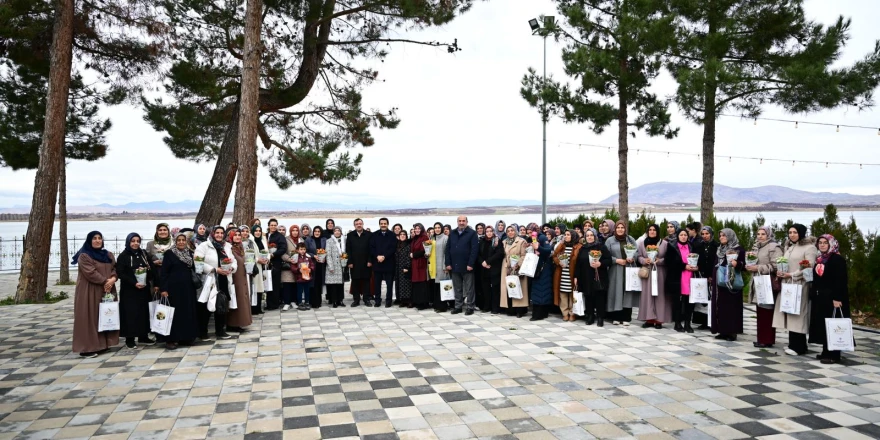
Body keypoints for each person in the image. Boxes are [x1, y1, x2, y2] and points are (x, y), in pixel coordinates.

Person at [72, 231, 119, 358]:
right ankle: (87, 348)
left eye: (100, 238)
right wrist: (106, 282)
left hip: (107, 289)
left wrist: (113, 279)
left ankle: (102, 345)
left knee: (104, 315)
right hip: (90, 290)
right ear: (89, 241)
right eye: (94, 238)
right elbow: (90, 273)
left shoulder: (108, 254)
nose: (98, 241)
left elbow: (114, 268)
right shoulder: (84, 256)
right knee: (90, 317)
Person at [773, 224, 817, 356]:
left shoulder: (810, 248)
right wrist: (781, 273)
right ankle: (793, 343)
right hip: (788, 284)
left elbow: (808, 267)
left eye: (795, 232)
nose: (792, 234)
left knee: (798, 314)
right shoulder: (790, 247)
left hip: (800, 285)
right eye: (790, 232)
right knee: (790, 312)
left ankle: (799, 346)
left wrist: (792, 275)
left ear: (801, 233)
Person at [809, 234, 850, 364]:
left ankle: (834, 354)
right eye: (820, 242)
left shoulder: (837, 259)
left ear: (831, 244)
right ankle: (826, 351)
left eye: (825, 243)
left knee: (834, 324)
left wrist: (837, 298)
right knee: (823, 324)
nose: (822, 245)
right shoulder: (820, 259)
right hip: (821, 297)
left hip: (833, 298)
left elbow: (840, 281)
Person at [159, 232, 200, 349]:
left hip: (188, 289)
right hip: (173, 290)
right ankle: (171, 339)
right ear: (175, 241)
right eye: (179, 240)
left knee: (187, 312)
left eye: (183, 240)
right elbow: (164, 273)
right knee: (174, 314)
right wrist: (164, 289)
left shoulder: (190, 253)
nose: (181, 242)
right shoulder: (169, 254)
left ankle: (186, 337)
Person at [195, 225, 236, 340]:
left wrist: (231, 268)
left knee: (221, 304)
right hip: (210, 279)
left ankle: (220, 331)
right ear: (212, 233)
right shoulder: (204, 246)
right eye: (217, 233)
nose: (219, 235)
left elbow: (233, 260)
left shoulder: (226, 246)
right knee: (206, 306)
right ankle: (203, 332)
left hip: (224, 278)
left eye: (221, 233)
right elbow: (198, 262)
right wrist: (215, 269)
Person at [116, 233, 154, 349]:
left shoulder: (143, 253)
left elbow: (150, 267)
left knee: (143, 312)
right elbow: (120, 273)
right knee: (130, 313)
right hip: (130, 290)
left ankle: (143, 335)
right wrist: (133, 282)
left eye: (137, 241)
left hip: (143, 288)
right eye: (133, 241)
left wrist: (150, 278)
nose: (135, 243)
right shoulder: (123, 256)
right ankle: (130, 338)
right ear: (128, 242)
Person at [746, 226, 782, 348]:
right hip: (758, 281)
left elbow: (776, 265)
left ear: (769, 235)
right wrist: (750, 265)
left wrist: (759, 268)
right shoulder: (757, 246)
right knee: (760, 311)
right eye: (758, 234)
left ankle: (767, 339)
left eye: (763, 234)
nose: (760, 236)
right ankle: (761, 338)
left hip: (768, 283)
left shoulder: (774, 247)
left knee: (767, 312)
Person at [711, 228, 745, 341]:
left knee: (731, 306)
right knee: (720, 306)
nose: (721, 237)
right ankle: (722, 330)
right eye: (720, 235)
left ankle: (732, 331)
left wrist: (737, 264)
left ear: (730, 236)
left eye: (724, 235)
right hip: (719, 281)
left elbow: (743, 265)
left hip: (732, 281)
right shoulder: (719, 249)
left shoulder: (738, 249)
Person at [637, 224, 671, 329]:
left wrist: (659, 261)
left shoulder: (664, 244)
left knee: (659, 295)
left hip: (660, 272)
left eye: (654, 230)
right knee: (648, 295)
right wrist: (644, 260)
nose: (652, 232)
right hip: (648, 272)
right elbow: (638, 256)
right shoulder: (642, 243)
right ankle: (649, 319)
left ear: (657, 231)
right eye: (650, 230)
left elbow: (669, 258)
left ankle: (659, 320)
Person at [574, 228, 611, 326]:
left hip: (599, 276)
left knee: (599, 297)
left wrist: (600, 263)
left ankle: (600, 317)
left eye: (591, 235)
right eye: (587, 235)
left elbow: (609, 260)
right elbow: (578, 264)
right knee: (588, 296)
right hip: (585, 276)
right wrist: (576, 277)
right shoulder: (583, 248)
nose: (589, 237)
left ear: (595, 236)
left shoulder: (601, 247)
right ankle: (590, 315)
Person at [605, 221, 638, 326]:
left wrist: (632, 258)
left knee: (627, 292)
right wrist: (617, 260)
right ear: (614, 229)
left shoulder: (630, 239)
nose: (620, 229)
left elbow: (637, 252)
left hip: (629, 269)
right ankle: (616, 317)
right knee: (616, 291)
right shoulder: (610, 240)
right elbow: (605, 255)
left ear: (625, 229)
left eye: (622, 227)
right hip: (616, 270)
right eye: (618, 227)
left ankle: (626, 317)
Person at [445, 216, 479, 315]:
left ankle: (470, 307)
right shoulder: (453, 233)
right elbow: (448, 249)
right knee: (457, 288)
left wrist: (471, 263)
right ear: (457, 222)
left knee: (469, 288)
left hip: (467, 266)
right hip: (454, 265)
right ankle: (458, 306)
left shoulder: (472, 233)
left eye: (463, 221)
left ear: (467, 222)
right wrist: (448, 263)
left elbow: (474, 250)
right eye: (459, 221)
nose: (461, 223)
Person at [666, 228, 698, 333]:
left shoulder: (692, 246)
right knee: (677, 302)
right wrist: (684, 266)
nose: (683, 237)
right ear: (678, 236)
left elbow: (698, 259)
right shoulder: (672, 246)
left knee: (689, 302)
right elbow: (669, 263)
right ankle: (677, 323)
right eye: (681, 235)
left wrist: (697, 267)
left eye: (685, 235)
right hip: (677, 277)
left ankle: (688, 323)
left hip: (690, 277)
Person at [226, 228, 252, 333]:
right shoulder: (229, 248)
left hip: (242, 276)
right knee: (235, 298)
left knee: (242, 298)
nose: (237, 236)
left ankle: (240, 322)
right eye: (235, 235)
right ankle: (232, 324)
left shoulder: (240, 247)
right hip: (234, 277)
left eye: (239, 234)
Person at [692, 226, 718, 330]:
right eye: (702, 234)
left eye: (707, 234)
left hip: (712, 275)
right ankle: (703, 322)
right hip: (701, 276)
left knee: (712, 299)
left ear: (711, 234)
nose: (705, 236)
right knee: (702, 298)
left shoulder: (717, 246)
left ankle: (713, 321)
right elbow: (695, 259)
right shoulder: (698, 246)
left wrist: (712, 275)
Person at [501, 226, 530, 318]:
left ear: (515, 231)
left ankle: (520, 310)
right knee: (509, 287)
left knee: (519, 287)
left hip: (518, 268)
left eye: (512, 230)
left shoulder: (521, 241)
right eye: (508, 231)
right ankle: (510, 309)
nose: (510, 232)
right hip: (506, 267)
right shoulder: (504, 242)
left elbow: (524, 255)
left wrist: (517, 264)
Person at [552, 230, 581, 321]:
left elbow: (580, 261)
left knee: (572, 294)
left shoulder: (578, 247)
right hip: (561, 274)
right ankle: (565, 313)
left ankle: (572, 313)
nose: (566, 236)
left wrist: (577, 275)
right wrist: (558, 262)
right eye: (565, 235)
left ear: (573, 236)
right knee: (563, 293)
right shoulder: (561, 245)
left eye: (568, 235)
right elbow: (554, 256)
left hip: (572, 274)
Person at [370, 217, 397, 307]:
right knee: (377, 284)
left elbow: (393, 248)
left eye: (385, 223)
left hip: (389, 263)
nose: (383, 225)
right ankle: (377, 300)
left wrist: (384, 256)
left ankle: (388, 301)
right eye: (381, 223)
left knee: (389, 284)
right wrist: (377, 256)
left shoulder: (392, 235)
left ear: (387, 224)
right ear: (379, 224)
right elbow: (372, 247)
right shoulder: (374, 235)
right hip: (377, 263)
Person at [346, 218, 372, 306]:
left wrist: (370, 260)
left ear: (363, 224)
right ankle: (356, 300)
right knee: (355, 281)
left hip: (366, 262)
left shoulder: (369, 235)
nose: (359, 225)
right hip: (354, 263)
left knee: (366, 281)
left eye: (360, 223)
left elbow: (371, 249)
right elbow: (348, 250)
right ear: (354, 225)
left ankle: (366, 299)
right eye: (357, 224)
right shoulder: (350, 235)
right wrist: (349, 262)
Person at [479, 227, 505, 314]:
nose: (489, 233)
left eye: (491, 231)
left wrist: (488, 261)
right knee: (485, 289)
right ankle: (487, 306)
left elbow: (499, 253)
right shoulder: (482, 241)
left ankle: (495, 308)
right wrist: (483, 262)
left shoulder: (497, 241)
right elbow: (478, 254)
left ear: (493, 232)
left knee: (495, 289)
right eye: (487, 231)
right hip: (484, 268)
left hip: (494, 268)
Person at [529, 234, 554, 321]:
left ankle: (539, 314)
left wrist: (538, 248)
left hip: (543, 269)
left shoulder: (542, 238)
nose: (530, 234)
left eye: (531, 232)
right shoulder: (531, 239)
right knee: (537, 291)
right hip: (535, 268)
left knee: (543, 290)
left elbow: (548, 251)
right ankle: (540, 313)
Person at [147, 223, 173, 299]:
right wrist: (154, 263)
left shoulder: (173, 244)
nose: (162, 232)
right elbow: (146, 260)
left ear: (168, 231)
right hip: (156, 275)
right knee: (157, 298)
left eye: (165, 230)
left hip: (170, 275)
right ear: (157, 232)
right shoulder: (151, 244)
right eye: (160, 230)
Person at [265, 218, 287, 310]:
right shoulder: (265, 235)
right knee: (266, 283)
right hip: (265, 263)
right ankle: (268, 303)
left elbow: (283, 249)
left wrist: (273, 254)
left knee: (275, 284)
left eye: (275, 225)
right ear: (269, 226)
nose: (273, 227)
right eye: (271, 225)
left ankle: (274, 304)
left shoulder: (279, 236)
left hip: (275, 263)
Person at [281, 225, 303, 311]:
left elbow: (305, 250)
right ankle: (286, 302)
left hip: (299, 266)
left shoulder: (301, 240)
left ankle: (294, 301)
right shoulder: (286, 240)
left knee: (295, 285)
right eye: (293, 230)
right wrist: (289, 259)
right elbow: (283, 252)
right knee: (287, 284)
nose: (295, 232)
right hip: (289, 265)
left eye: (296, 230)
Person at [430, 222, 451, 312]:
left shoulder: (445, 238)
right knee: (435, 286)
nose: (437, 229)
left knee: (442, 286)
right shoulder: (432, 238)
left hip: (442, 266)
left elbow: (447, 253)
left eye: (439, 227)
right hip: (433, 266)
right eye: (435, 228)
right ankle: (436, 304)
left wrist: (445, 266)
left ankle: (442, 306)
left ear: (442, 229)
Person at [304, 225, 327, 309]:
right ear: (313, 232)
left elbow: (326, 250)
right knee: (312, 283)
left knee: (319, 282)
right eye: (315, 231)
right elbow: (305, 251)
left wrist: (324, 258)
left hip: (321, 264)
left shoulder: (324, 240)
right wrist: (313, 256)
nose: (317, 233)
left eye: (318, 231)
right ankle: (312, 301)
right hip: (312, 264)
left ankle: (319, 301)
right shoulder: (309, 240)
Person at [410, 223, 431, 310]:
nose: (417, 230)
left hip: (421, 262)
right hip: (415, 263)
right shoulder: (415, 238)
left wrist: (414, 254)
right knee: (416, 283)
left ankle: (423, 302)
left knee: (422, 282)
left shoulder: (425, 238)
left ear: (422, 229)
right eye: (416, 228)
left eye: (419, 228)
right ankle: (417, 301)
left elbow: (425, 250)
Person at [249, 224, 269, 315]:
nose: (258, 233)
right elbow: (249, 254)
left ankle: (259, 307)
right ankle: (254, 308)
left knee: (261, 287)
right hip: (255, 266)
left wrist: (267, 259)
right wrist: (258, 260)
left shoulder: (263, 240)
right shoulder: (251, 241)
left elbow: (266, 251)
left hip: (263, 266)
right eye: (256, 231)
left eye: (259, 231)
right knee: (255, 287)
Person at [291, 243, 316, 310]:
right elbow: (293, 267)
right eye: (301, 249)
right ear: (297, 250)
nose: (303, 251)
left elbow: (312, 265)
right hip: (299, 278)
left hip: (307, 278)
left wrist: (311, 269)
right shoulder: (295, 257)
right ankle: (300, 303)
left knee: (307, 291)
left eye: (304, 249)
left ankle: (307, 302)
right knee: (299, 291)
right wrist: (299, 270)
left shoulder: (308, 257)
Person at [325, 226, 346, 307]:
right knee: (333, 285)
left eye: (338, 231)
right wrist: (330, 266)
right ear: (333, 232)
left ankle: (340, 300)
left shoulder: (344, 240)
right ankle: (334, 301)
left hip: (342, 265)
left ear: (341, 232)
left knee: (341, 285)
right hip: (333, 265)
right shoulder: (329, 241)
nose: (337, 232)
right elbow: (328, 254)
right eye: (335, 231)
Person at [395, 231, 413, 307]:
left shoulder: (408, 245)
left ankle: (409, 301)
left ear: (406, 236)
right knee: (400, 284)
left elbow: (409, 257)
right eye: (401, 234)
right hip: (398, 268)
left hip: (405, 267)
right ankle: (402, 300)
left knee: (407, 284)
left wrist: (407, 267)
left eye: (404, 234)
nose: (402, 236)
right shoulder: (397, 245)